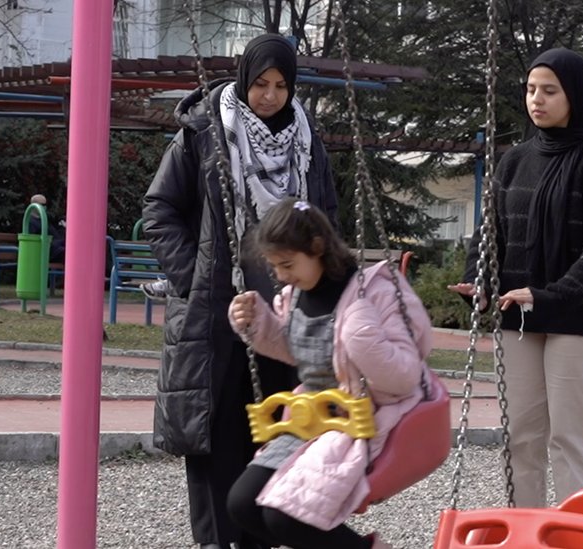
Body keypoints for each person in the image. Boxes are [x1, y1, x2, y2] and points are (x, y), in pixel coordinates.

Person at [141, 34, 338, 549]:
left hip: (285, 315)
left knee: (279, 439)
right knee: (217, 443)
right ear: (244, 79)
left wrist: (319, 287)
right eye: (260, 84)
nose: (270, 96)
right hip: (217, 318)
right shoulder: (205, 133)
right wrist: (197, 281)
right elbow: (158, 211)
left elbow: (327, 219)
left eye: (280, 86)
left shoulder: (307, 141)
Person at [448, 48, 583, 508]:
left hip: (580, 317)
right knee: (520, 437)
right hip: (519, 318)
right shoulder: (515, 160)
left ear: (573, 95)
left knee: (571, 439)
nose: (537, 99)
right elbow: (489, 232)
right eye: (532, 89)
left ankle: (578, 535)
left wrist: (551, 295)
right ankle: (526, 532)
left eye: (549, 91)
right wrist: (479, 280)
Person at [225, 198, 432, 549]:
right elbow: (297, 351)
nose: (280, 276)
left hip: (363, 417)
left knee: (287, 515)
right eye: (274, 267)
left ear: (317, 247)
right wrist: (254, 323)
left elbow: (404, 378)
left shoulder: (376, 291)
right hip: (310, 421)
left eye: (287, 264)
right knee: (243, 505)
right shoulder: (294, 295)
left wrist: (362, 339)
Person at [26, 193, 66, 263]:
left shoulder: (45, 219)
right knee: (71, 253)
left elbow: (56, 235)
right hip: (47, 253)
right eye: (42, 205)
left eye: (45, 205)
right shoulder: (30, 222)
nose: (44, 207)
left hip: (55, 249)